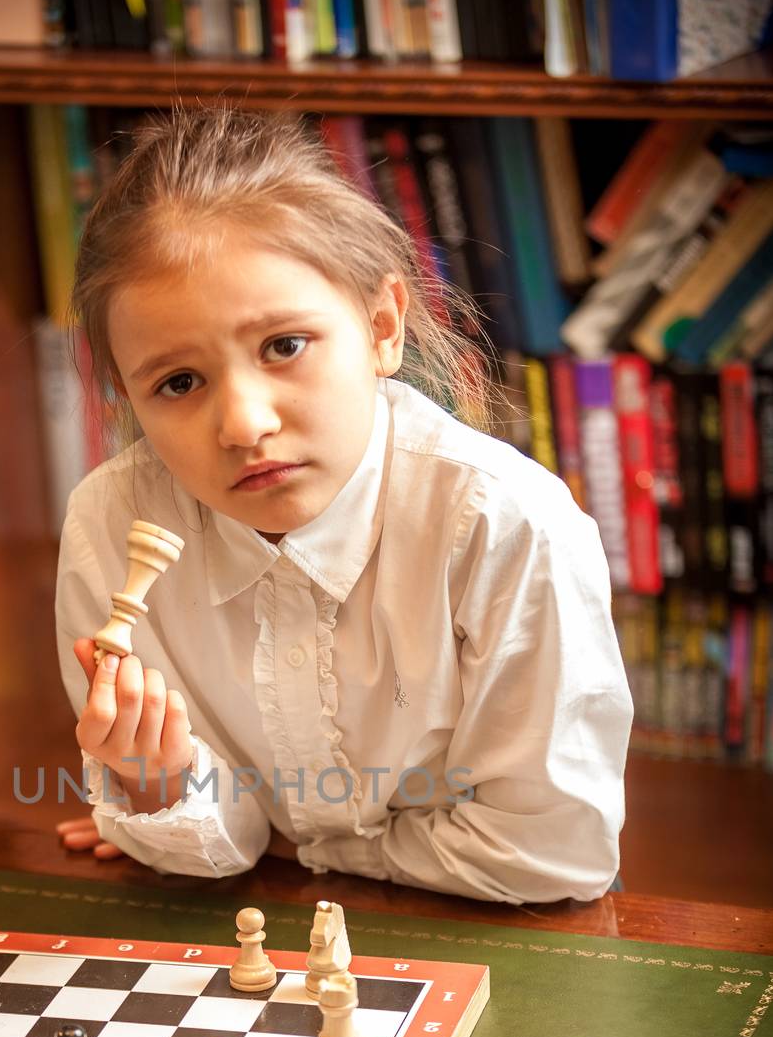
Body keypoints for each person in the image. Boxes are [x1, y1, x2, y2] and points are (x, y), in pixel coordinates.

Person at [54, 103, 632, 905]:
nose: (244, 425)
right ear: (127, 398)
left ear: (381, 326)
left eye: (283, 346)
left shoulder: (508, 525)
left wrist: (292, 846)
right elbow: (211, 850)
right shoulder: (108, 527)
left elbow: (549, 853)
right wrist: (157, 792)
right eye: (177, 383)